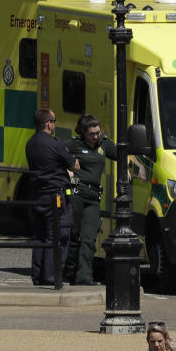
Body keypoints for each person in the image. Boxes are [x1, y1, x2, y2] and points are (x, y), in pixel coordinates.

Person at [25, 108, 79, 286]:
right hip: (55, 196)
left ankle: (38, 276)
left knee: (39, 236)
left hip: (37, 195)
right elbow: (75, 166)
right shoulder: (55, 144)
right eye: (54, 121)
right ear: (48, 124)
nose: (55, 124)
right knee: (56, 235)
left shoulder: (31, 143)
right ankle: (51, 277)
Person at [64, 114, 116, 285]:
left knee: (89, 237)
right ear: (83, 132)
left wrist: (128, 165)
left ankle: (84, 277)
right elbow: (55, 154)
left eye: (98, 132)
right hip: (77, 190)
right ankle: (68, 272)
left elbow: (122, 153)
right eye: (92, 133)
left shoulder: (104, 144)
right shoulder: (73, 144)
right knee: (74, 234)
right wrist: (67, 171)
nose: (96, 136)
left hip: (93, 196)